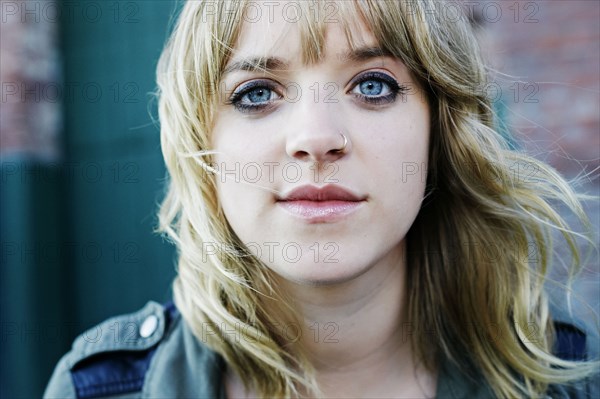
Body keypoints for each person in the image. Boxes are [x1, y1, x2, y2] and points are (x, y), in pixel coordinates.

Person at [44, 1, 598, 398]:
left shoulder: (570, 377)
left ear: (440, 133)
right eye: (256, 93)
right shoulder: (98, 388)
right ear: (202, 144)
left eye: (373, 85)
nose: (315, 137)